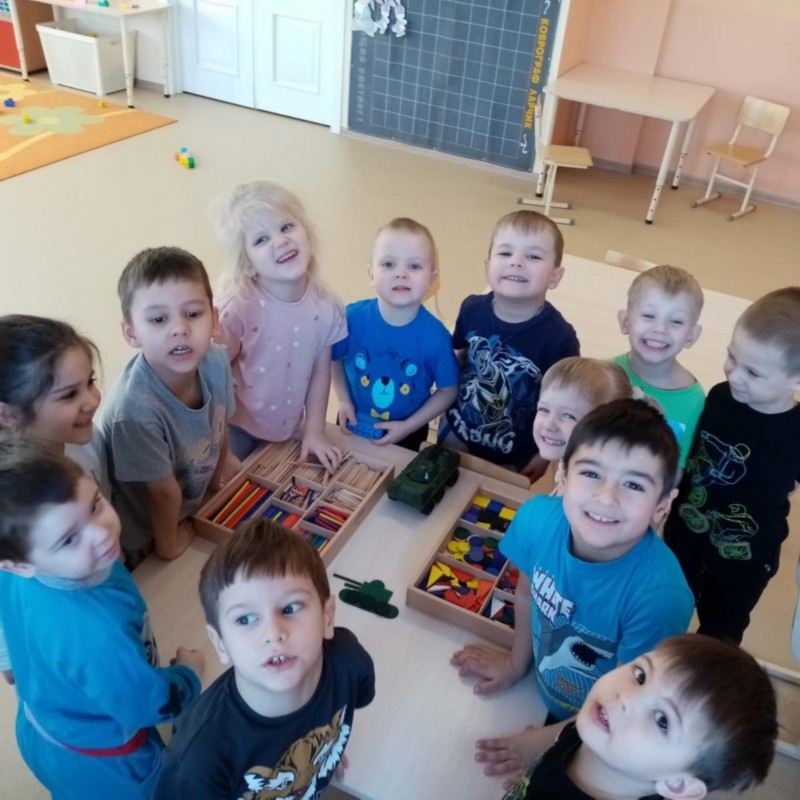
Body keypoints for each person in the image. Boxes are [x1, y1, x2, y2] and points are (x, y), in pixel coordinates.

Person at [451, 399, 694, 776]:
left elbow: (630, 704)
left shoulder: (661, 598)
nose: (606, 497)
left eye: (633, 484)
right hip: (540, 692)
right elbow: (526, 593)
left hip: (602, 734)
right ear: (563, 475)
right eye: (592, 473)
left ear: (663, 504)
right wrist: (516, 664)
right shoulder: (534, 520)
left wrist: (545, 741)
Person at [0, 437, 204, 800]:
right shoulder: (98, 639)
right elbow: (148, 705)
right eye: (68, 540)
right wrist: (188, 675)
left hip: (43, 727)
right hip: (114, 766)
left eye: (94, 505)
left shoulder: (19, 568)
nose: (101, 533)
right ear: (17, 563)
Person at [155, 518, 375, 799]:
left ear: (327, 617)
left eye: (290, 607)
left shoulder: (350, 663)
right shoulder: (196, 764)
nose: (273, 633)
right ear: (220, 643)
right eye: (245, 619)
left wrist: (324, 752)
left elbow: (343, 708)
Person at [665, 286, 800, 644]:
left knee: (719, 637)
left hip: (745, 561)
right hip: (684, 537)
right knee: (664, 614)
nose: (734, 375)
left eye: (753, 372)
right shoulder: (719, 397)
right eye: (731, 357)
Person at [500, 634, 777, 800]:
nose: (625, 697)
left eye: (663, 720)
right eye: (641, 675)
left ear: (677, 784)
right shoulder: (599, 731)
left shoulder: (607, 734)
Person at [101, 246, 235, 567]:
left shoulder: (216, 360)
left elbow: (220, 429)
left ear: (214, 319)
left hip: (193, 505)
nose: (179, 328)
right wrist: (168, 546)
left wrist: (215, 487)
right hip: (150, 533)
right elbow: (162, 494)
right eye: (159, 319)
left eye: (193, 314)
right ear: (131, 333)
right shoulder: (134, 411)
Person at [212, 180, 347, 472]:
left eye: (287, 227)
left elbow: (320, 372)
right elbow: (211, 373)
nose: (281, 241)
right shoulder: (237, 308)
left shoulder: (326, 307)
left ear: (307, 233)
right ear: (247, 264)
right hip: (234, 428)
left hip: (287, 429)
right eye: (261, 239)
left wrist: (315, 431)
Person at [438, 210, 579, 481]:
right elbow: (459, 358)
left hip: (515, 454)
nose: (516, 262)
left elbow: (566, 404)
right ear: (487, 266)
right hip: (455, 434)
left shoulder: (559, 339)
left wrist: (545, 454)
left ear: (555, 277)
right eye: (505, 253)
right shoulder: (471, 309)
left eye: (533, 256)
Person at [331, 217, 459, 451]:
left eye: (414, 266)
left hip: (407, 432)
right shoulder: (351, 318)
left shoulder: (436, 337)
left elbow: (448, 389)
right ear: (371, 274)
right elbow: (333, 358)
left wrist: (409, 426)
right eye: (389, 264)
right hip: (351, 418)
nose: (401, 273)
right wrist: (343, 399)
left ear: (431, 281)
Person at [0, 314, 108, 497]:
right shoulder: (12, 496)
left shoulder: (88, 440)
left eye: (90, 382)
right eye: (69, 394)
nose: (94, 401)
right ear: (10, 415)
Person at [613, 265, 705, 473]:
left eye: (676, 321)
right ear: (625, 322)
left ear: (691, 336)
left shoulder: (695, 403)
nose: (660, 329)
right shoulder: (603, 376)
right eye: (649, 316)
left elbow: (677, 471)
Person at [532, 357, 632, 492]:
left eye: (568, 416)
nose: (549, 425)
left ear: (606, 427)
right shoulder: (572, 466)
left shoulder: (593, 488)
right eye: (544, 409)